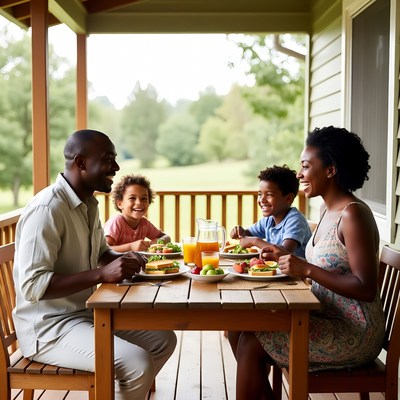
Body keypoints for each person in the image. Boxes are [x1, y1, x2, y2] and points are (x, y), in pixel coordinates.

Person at [12, 129, 177, 400]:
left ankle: (112, 395)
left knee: (163, 341)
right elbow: (33, 286)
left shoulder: (88, 203)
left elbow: (102, 253)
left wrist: (146, 262)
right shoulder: (47, 209)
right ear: (81, 163)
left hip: (87, 314)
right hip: (48, 328)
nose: (116, 166)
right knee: (137, 363)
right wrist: (102, 273)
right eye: (108, 159)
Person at [228, 126, 386, 399]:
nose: (299, 174)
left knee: (251, 342)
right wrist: (281, 257)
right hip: (322, 315)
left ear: (330, 170)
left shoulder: (353, 215)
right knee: (237, 328)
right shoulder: (327, 210)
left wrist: (307, 269)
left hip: (353, 331)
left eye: (305, 166)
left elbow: (365, 288)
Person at [230, 164, 312, 257]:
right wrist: (240, 232)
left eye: (269, 195)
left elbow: (286, 253)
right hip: (278, 269)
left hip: (298, 271)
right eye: (260, 194)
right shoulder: (269, 220)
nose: (262, 200)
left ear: (288, 199)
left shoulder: (295, 220)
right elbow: (249, 233)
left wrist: (255, 241)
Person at [104, 174, 171, 252]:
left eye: (144, 198)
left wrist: (159, 241)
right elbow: (104, 250)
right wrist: (131, 247)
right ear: (120, 204)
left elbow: (166, 237)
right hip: (112, 264)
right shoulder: (116, 222)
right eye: (132, 198)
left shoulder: (144, 223)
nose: (139, 202)